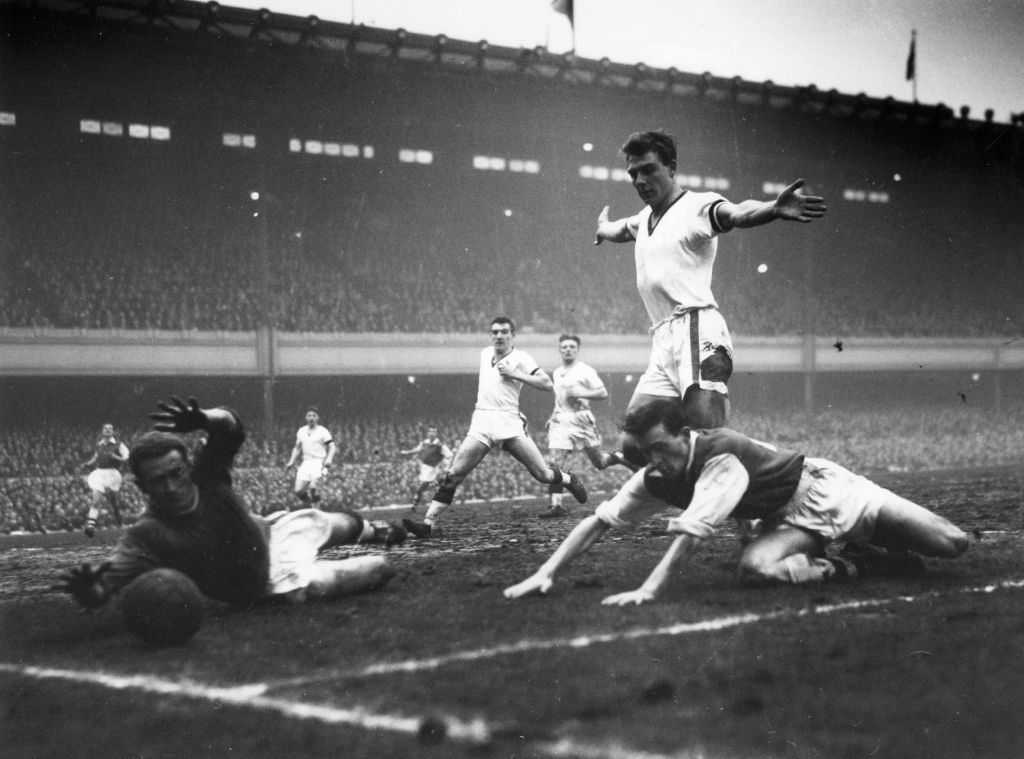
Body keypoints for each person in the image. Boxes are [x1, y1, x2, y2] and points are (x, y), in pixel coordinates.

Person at [504, 396, 968, 606]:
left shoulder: (719, 453)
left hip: (829, 490)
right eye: (644, 453)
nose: (653, 461)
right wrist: (544, 574)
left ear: (685, 435)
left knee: (951, 544)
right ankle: (859, 564)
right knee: (755, 570)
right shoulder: (656, 475)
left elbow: (690, 536)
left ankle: (866, 543)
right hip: (789, 521)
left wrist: (649, 589)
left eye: (660, 449)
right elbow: (598, 523)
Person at [55, 397, 403, 614]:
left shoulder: (207, 475)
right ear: (141, 486)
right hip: (272, 582)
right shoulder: (147, 533)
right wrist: (90, 591)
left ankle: (378, 530)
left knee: (337, 523)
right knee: (381, 568)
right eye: (158, 481)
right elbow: (106, 585)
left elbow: (232, 428)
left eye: (176, 473)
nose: (171, 485)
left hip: (272, 534)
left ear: (188, 467)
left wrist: (205, 418)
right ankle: (373, 542)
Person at [593, 129, 827, 444]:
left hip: (696, 329)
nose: (639, 180)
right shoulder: (644, 218)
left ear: (672, 167)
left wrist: (773, 208)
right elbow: (621, 229)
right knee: (635, 444)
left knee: (711, 440)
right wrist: (603, 228)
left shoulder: (698, 206)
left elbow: (738, 213)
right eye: (633, 173)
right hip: (663, 339)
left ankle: (769, 472)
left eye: (649, 170)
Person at [403, 317, 588, 539]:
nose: (499, 336)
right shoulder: (484, 354)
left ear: (513, 335)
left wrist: (515, 374)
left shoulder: (521, 358)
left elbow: (547, 384)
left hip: (508, 421)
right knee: (454, 474)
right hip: (481, 420)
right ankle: (428, 524)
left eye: (504, 332)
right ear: (491, 335)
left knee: (542, 474)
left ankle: (568, 479)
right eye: (495, 332)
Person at [540, 334, 637, 519]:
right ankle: (555, 506)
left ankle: (618, 457)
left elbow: (603, 393)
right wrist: (552, 416)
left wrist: (580, 392)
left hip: (582, 419)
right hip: (561, 420)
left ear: (577, 350)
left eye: (572, 347)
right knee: (555, 463)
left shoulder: (585, 370)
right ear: (560, 350)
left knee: (599, 462)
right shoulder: (557, 372)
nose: (568, 349)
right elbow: (559, 398)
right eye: (565, 347)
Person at [80, 423, 130, 537]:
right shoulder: (99, 445)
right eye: (105, 428)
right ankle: (90, 526)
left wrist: (115, 457)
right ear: (102, 431)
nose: (107, 430)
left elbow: (127, 459)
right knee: (96, 500)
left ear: (113, 432)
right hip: (99, 473)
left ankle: (119, 520)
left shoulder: (119, 444)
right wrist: (87, 464)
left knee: (113, 502)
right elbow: (96, 457)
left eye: (110, 428)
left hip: (112, 474)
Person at [285, 407, 336, 507]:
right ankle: (310, 506)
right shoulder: (301, 431)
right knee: (298, 491)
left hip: (318, 462)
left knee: (313, 487)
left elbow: (332, 446)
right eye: (309, 415)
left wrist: (329, 459)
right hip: (306, 462)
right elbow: (297, 447)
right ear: (306, 417)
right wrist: (291, 461)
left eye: (314, 415)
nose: (311, 417)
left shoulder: (323, 431)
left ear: (317, 418)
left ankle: (316, 511)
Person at [399, 426, 454, 509]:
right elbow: (417, 449)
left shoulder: (440, 445)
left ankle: (415, 503)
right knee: (424, 486)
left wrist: (446, 467)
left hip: (433, 468)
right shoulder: (424, 442)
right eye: (430, 431)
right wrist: (407, 452)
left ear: (436, 433)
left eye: (434, 431)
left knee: (423, 486)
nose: (431, 433)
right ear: (428, 433)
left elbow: (450, 456)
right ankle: (417, 501)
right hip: (424, 467)